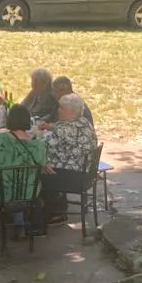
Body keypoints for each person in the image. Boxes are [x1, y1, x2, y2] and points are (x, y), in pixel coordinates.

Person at [0, 105, 47, 242]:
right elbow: (41, 168)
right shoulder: (38, 145)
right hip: (29, 193)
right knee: (19, 184)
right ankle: (19, 227)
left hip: (3, 192)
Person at [38, 93, 97, 221]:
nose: (58, 110)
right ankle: (58, 207)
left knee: (37, 174)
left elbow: (41, 148)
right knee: (47, 166)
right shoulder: (84, 122)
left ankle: (53, 212)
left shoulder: (65, 129)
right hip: (84, 173)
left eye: (61, 108)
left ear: (71, 111)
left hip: (73, 176)